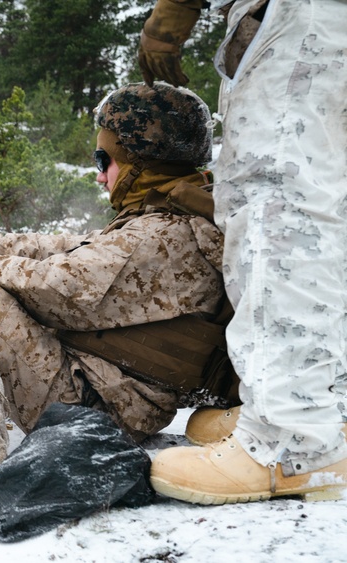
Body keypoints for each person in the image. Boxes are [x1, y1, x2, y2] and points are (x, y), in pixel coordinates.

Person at [0, 82, 229, 444]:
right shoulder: (177, 218)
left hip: (93, 407)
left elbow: (54, 288)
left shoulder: (158, 236)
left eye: (105, 161)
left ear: (141, 165)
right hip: (111, 393)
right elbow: (76, 247)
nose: (100, 175)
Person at [138, 0, 347, 504]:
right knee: (321, 206)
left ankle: (292, 440)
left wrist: (176, 7)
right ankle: (323, 410)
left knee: (280, 206)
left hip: (307, 19)